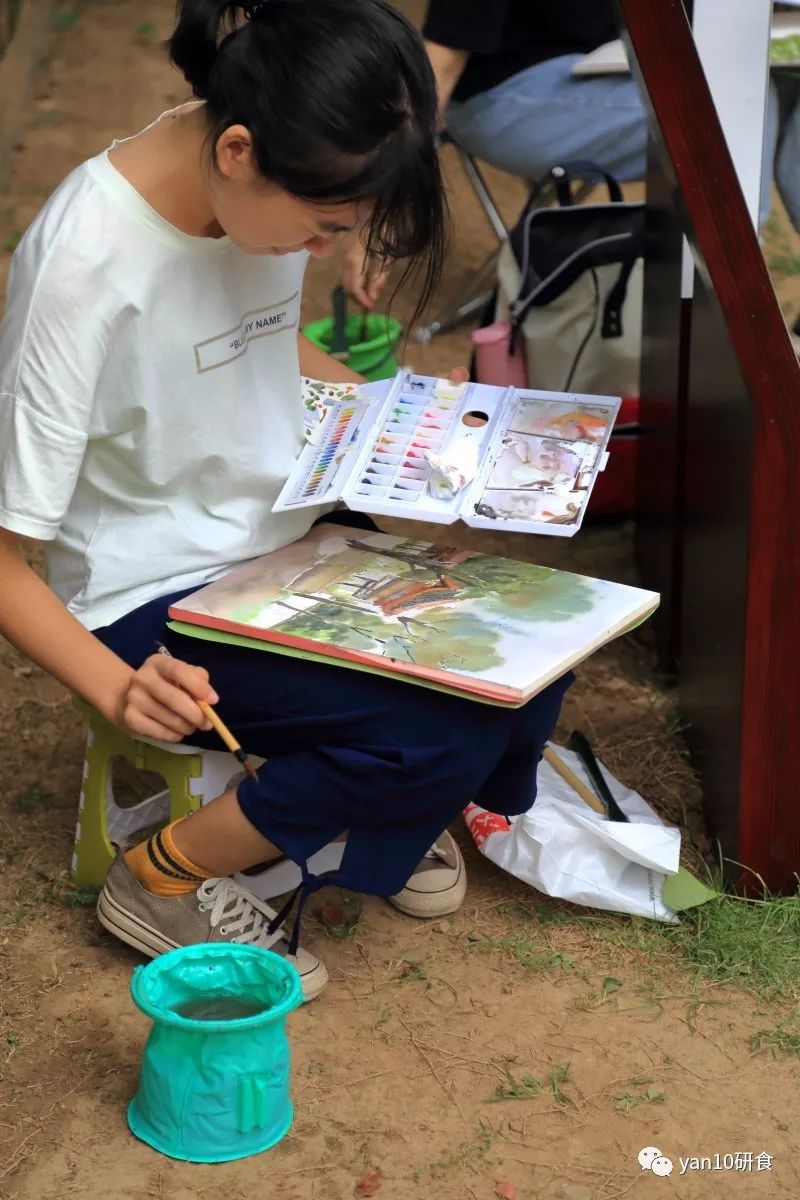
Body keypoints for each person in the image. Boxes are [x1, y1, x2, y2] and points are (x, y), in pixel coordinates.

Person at [0, 0, 571, 1003]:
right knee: (438, 733)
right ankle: (161, 875)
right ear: (236, 150)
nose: (321, 252)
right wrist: (114, 686)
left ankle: (369, 815)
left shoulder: (250, 192)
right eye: (322, 228)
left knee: (531, 645)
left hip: (281, 527)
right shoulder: (85, 270)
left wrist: (426, 427)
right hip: (153, 593)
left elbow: (260, 353)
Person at [345, 0, 800, 309]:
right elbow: (437, 67)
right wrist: (377, 208)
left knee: (777, 79)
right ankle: (735, 303)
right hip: (503, 97)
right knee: (740, 105)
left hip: (608, 62)